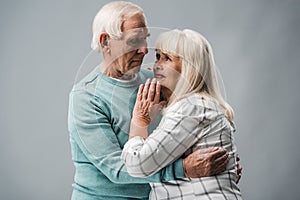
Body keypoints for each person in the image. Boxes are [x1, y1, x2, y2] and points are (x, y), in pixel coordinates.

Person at [68, 1, 237, 199]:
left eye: (145, 39)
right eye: (134, 41)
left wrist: (223, 166)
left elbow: (181, 136)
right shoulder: (86, 97)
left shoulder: (156, 81)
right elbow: (116, 169)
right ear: (106, 42)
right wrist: (185, 169)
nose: (144, 50)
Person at [121, 29, 243, 199]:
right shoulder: (199, 105)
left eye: (167, 58)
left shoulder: (191, 107)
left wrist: (139, 122)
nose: (156, 65)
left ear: (188, 69)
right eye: (158, 57)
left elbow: (137, 165)